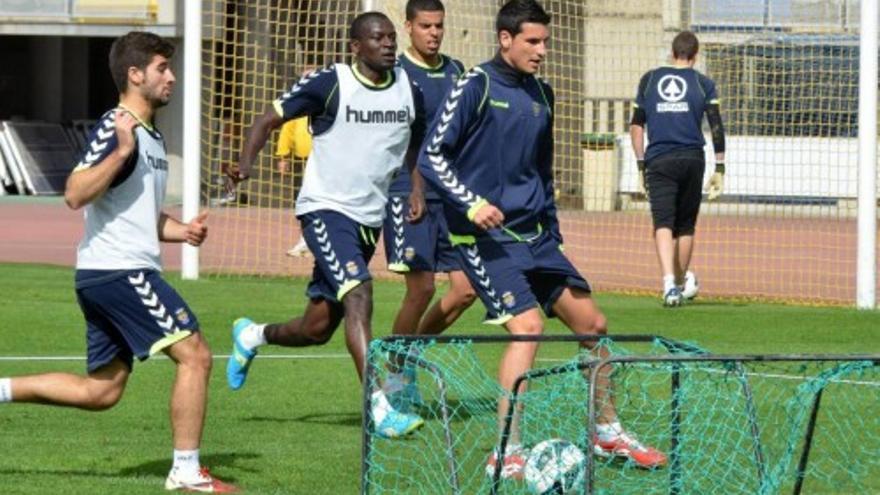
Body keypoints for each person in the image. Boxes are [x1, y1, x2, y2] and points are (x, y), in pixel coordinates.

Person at [417, 0, 667, 478]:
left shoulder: (543, 94)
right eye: (533, 41)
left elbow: (541, 171)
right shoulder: (477, 84)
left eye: (546, 41)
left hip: (537, 239)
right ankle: (505, 451)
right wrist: (471, 204)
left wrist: (553, 233)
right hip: (483, 240)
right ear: (505, 39)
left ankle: (607, 433)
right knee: (528, 327)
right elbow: (432, 156)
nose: (542, 50)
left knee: (593, 325)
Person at [0, 32, 237, 493]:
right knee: (196, 355)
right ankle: (185, 471)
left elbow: (136, 212)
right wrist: (123, 151)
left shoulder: (146, 133)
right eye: (161, 68)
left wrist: (180, 230)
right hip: (119, 271)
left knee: (102, 391)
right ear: (135, 74)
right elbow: (75, 192)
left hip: (108, 273)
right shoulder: (119, 127)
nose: (170, 77)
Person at [223, 12, 428, 439]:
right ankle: (380, 407)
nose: (389, 44)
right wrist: (245, 165)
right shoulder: (330, 83)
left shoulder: (409, 87)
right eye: (378, 38)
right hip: (324, 210)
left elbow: (418, 139)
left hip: (368, 220)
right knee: (360, 293)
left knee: (316, 328)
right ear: (356, 46)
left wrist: (417, 189)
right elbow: (267, 119)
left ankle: (252, 336)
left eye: (392, 37)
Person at [381, 0, 477, 409]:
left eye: (439, 26)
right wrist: (416, 187)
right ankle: (395, 380)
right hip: (408, 189)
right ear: (408, 28)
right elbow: (402, 138)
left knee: (466, 290)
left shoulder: (457, 72)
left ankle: (409, 355)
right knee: (420, 288)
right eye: (425, 26)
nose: (434, 33)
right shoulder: (397, 75)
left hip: (451, 194)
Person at [629, 30, 726, 307]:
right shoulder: (703, 83)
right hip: (693, 159)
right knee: (685, 226)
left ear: (672, 54)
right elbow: (716, 126)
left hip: (659, 159)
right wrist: (720, 167)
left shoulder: (649, 80)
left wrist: (639, 165)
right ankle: (682, 283)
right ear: (695, 57)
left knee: (662, 223)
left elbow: (637, 125)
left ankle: (669, 284)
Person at [276, 115, 313, 258]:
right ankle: (306, 242)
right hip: (301, 159)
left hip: (326, 158)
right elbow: (288, 129)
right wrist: (283, 156)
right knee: (302, 202)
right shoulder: (302, 102)